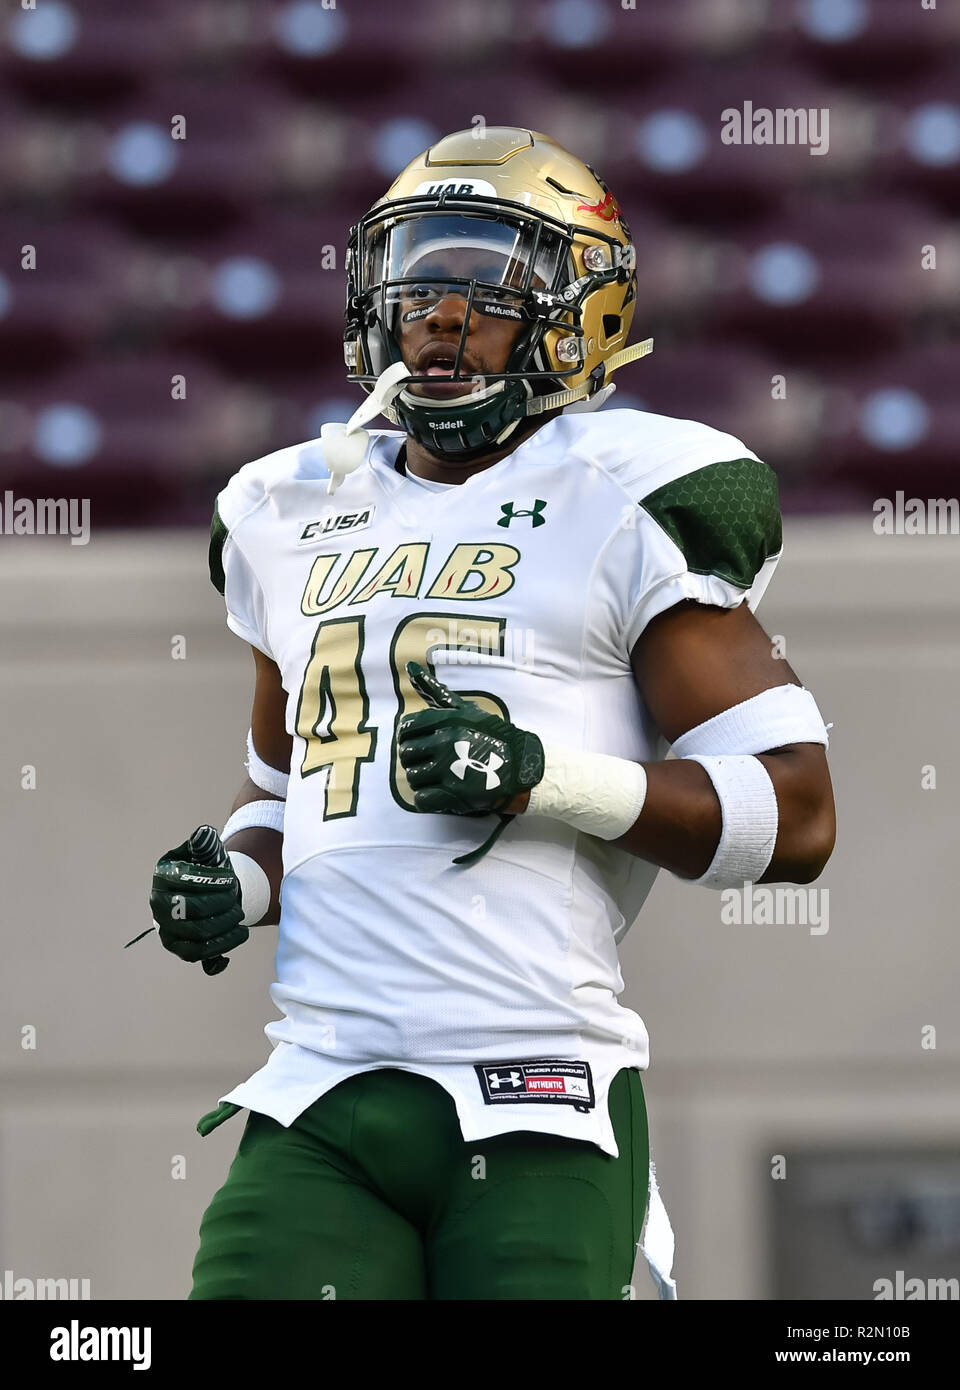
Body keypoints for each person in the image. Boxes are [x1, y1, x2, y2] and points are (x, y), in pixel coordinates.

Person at [149, 127, 836, 1301]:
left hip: (539, 1093)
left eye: (483, 294)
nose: (439, 323)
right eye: (416, 291)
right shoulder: (287, 504)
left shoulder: (630, 493)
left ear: (580, 316)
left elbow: (797, 817)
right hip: (322, 1085)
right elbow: (287, 789)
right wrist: (238, 879)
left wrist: (537, 775)